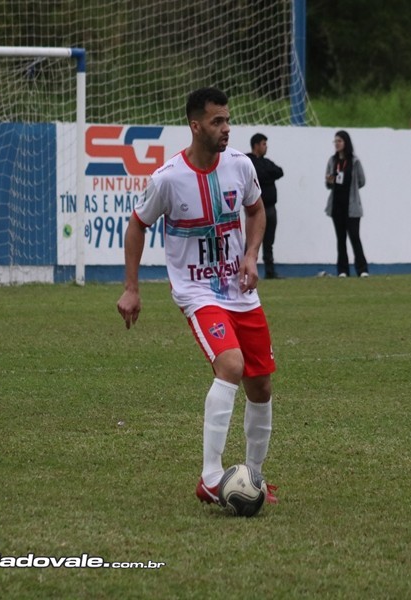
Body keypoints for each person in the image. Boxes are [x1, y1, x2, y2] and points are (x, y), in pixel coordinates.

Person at [116, 87, 277, 506]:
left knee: (261, 386)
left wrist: (251, 255)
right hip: (197, 291)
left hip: (240, 292)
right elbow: (137, 225)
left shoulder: (240, 165)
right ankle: (210, 477)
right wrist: (132, 288)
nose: (226, 128)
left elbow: (256, 210)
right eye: (216, 121)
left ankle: (254, 478)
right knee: (231, 364)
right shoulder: (168, 179)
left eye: (227, 120)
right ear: (195, 125)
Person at [325, 130, 369, 277]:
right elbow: (328, 184)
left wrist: (352, 187)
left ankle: (362, 269)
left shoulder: (354, 161)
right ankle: (343, 270)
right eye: (335, 141)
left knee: (355, 237)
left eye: (339, 141)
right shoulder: (332, 161)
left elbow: (362, 181)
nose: (337, 144)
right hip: (337, 206)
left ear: (346, 143)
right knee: (341, 239)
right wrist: (329, 181)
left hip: (352, 206)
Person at [247, 133, 284, 279]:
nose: (266, 147)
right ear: (256, 145)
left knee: (269, 242)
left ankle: (270, 271)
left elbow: (279, 172)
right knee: (251, 242)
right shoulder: (249, 161)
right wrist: (267, 176)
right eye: (263, 144)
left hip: (270, 208)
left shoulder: (266, 162)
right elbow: (258, 174)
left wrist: (265, 176)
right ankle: (244, 269)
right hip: (256, 209)